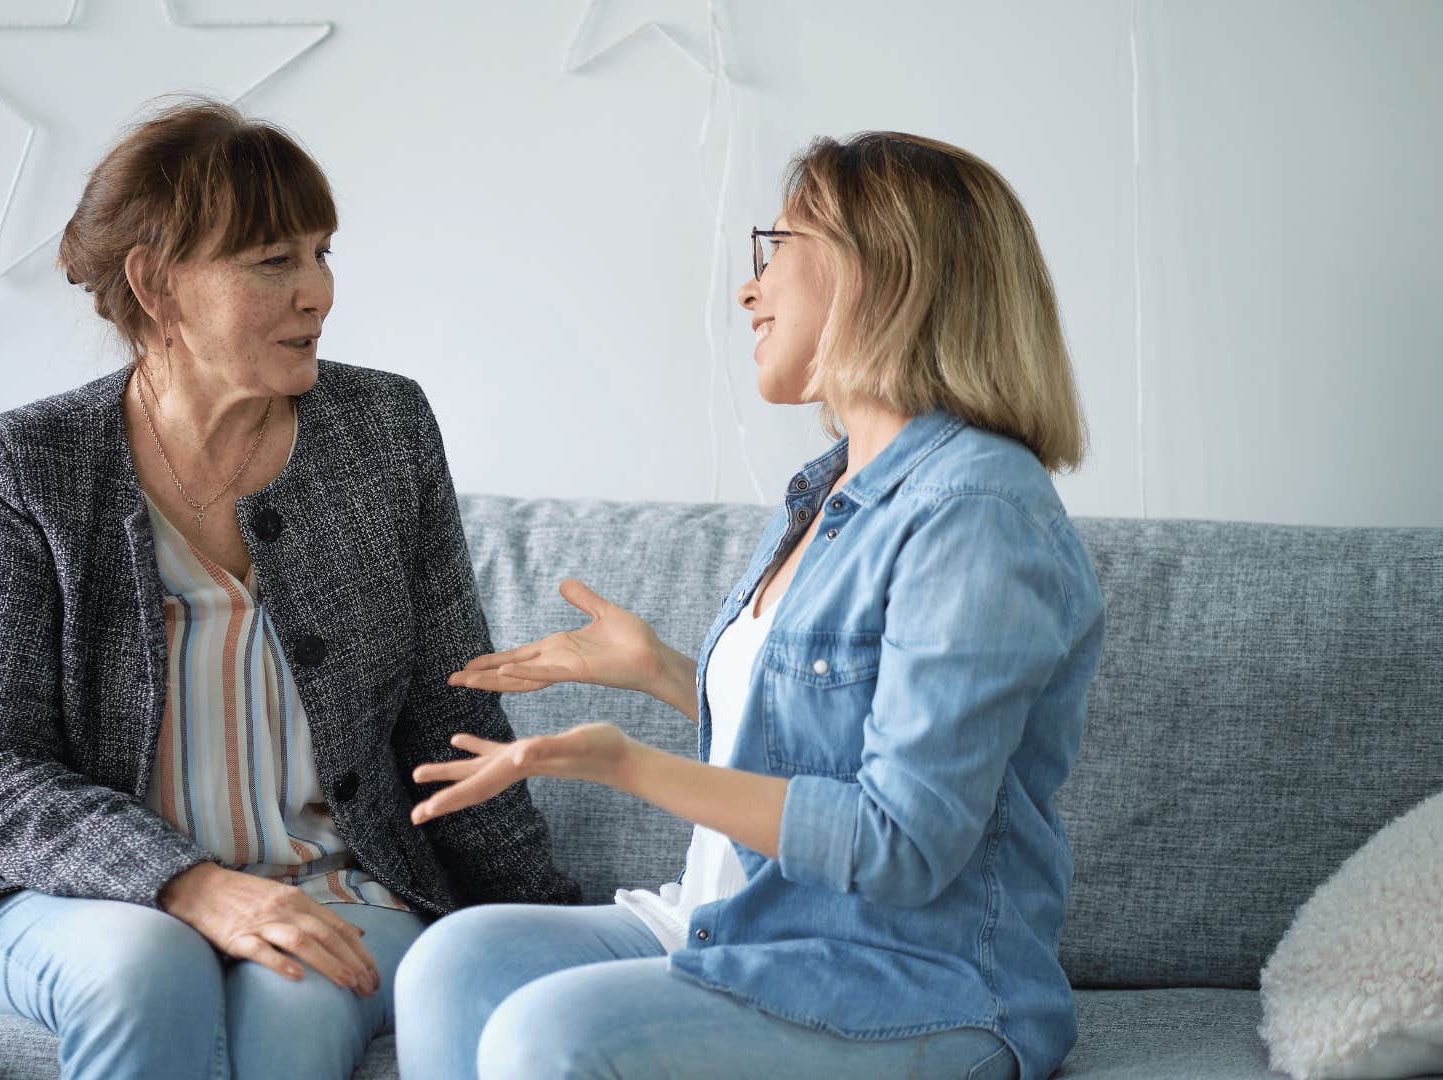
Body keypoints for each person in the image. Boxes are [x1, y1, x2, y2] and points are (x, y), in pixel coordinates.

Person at [0, 97, 578, 1080]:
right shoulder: (28, 463)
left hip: (335, 885)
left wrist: (573, 940)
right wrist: (184, 885)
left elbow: (451, 725)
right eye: (274, 262)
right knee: (144, 964)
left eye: (322, 252)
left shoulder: (384, 430)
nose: (317, 292)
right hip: (79, 893)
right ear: (157, 284)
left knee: (304, 996)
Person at [393, 132, 1105, 1080]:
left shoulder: (975, 510)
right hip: (745, 927)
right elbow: (836, 742)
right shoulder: (828, 494)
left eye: (778, 246)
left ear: (878, 270)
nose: (749, 289)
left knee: (548, 1035)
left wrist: (625, 765)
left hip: (902, 976)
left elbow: (901, 840)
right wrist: (664, 672)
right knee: (454, 963)